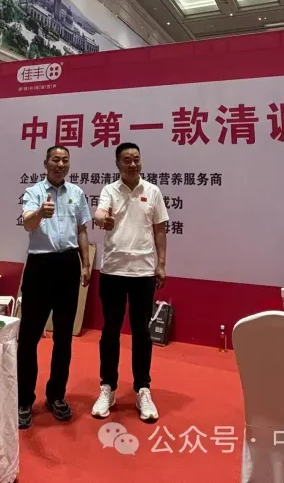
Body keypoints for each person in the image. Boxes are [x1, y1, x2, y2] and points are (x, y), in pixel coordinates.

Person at [91, 142, 168, 423]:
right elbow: (99, 214)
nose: (133, 164)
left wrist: (161, 264)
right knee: (110, 330)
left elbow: (160, 230)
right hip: (113, 271)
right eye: (127, 160)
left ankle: (142, 389)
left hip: (143, 272)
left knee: (141, 332)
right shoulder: (109, 191)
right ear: (117, 164)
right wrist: (103, 219)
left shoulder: (153, 191)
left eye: (136, 159)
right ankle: (107, 387)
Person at [17, 145, 92, 429]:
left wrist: (85, 264)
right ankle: (24, 399)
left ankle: (56, 395)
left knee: (64, 337)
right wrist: (40, 212)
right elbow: (28, 224)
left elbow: (82, 230)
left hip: (68, 265)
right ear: (46, 163)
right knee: (29, 337)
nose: (60, 164)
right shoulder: (34, 191)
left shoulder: (77, 193)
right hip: (40, 266)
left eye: (65, 160)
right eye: (55, 160)